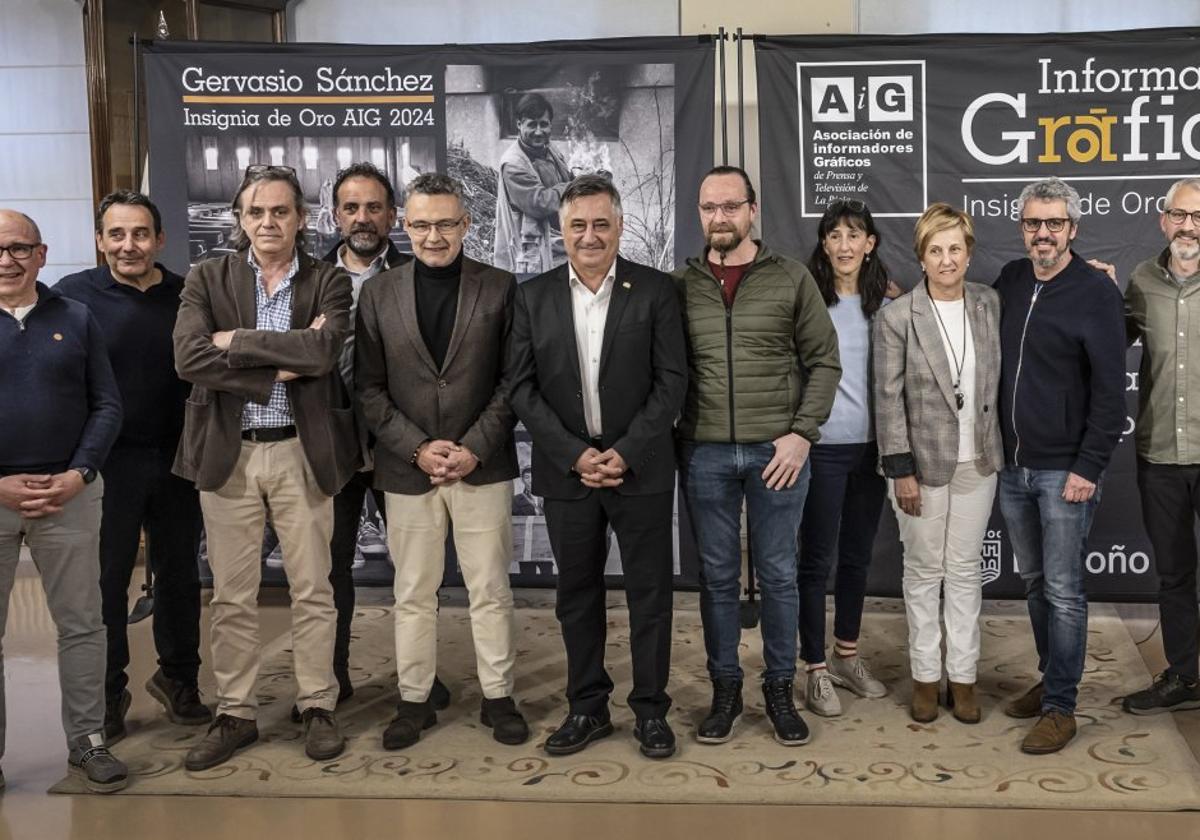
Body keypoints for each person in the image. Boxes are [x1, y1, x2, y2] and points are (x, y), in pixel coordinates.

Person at [173, 165, 359, 770]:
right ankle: (236, 712)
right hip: (230, 453)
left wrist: (238, 343)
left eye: (280, 212)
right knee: (231, 596)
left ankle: (317, 704)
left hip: (303, 452)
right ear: (240, 219)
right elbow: (190, 357)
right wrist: (282, 359)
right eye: (255, 212)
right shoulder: (207, 276)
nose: (267, 222)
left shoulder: (328, 279)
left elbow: (326, 351)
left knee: (313, 589)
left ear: (302, 219)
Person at [508, 174, 687, 759]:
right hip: (568, 475)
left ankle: (652, 712)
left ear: (619, 226)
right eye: (578, 224)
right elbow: (522, 388)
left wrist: (625, 452)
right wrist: (574, 454)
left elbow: (672, 384)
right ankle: (587, 709)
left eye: (600, 223)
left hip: (643, 470)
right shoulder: (531, 297)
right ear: (561, 230)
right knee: (576, 595)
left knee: (649, 595)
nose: (589, 235)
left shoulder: (657, 291)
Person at [356, 173, 527, 749]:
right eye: (423, 224)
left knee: (490, 589)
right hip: (408, 469)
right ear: (405, 225)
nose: (434, 235)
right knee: (412, 592)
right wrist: (418, 447)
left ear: (465, 225)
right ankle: (413, 701)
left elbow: (513, 382)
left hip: (483, 464)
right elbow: (369, 388)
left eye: (446, 223)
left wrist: (473, 447)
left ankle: (498, 697)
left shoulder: (501, 287)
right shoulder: (379, 295)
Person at [675, 166, 841, 746]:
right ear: (699, 213)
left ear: (751, 210)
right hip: (705, 453)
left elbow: (825, 362)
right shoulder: (682, 284)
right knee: (717, 577)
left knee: (778, 575)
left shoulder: (791, 278)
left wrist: (801, 435)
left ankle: (777, 687)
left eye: (730, 206)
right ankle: (725, 689)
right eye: (708, 207)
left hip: (780, 453)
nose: (719, 218)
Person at [56, 191, 209, 744]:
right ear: (100, 241)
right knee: (106, 582)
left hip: (179, 457)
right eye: (116, 235)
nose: (129, 245)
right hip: (107, 464)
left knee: (180, 577)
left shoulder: (189, 292)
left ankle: (180, 680)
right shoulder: (72, 298)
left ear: (160, 240)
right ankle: (108, 690)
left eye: (140, 234)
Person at [996, 177, 1126, 754]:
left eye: (1054, 223)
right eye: (1033, 223)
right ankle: (1053, 678)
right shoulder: (1011, 279)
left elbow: (1110, 393)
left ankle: (1061, 708)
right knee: (1034, 584)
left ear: (1073, 228)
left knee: (1066, 591)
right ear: (1022, 228)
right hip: (1012, 467)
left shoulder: (1096, 292)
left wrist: (1088, 467)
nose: (1042, 233)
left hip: (1066, 471)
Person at [0, 209, 127, 792]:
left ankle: (88, 741)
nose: (8, 260)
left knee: (82, 625)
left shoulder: (75, 318)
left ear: (42, 254)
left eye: (20, 248)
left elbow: (107, 405)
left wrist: (80, 472)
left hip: (69, 496)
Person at [316, 162, 450, 713]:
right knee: (330, 568)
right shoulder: (311, 276)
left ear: (394, 215)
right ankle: (333, 672)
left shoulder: (418, 272)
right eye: (351, 207)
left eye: (374, 207)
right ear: (335, 215)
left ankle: (420, 674)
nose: (363, 218)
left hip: (402, 443)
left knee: (418, 571)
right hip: (331, 445)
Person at [873, 203, 1003, 724]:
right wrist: (899, 469)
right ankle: (927, 677)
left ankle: (965, 678)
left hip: (980, 460)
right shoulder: (898, 316)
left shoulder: (989, 303)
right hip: (919, 468)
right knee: (924, 571)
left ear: (969, 253)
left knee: (965, 571)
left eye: (955, 248)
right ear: (921, 257)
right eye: (935, 250)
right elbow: (888, 399)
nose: (946, 260)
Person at [797, 199, 892, 718]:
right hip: (822, 448)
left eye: (854, 235)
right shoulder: (809, 300)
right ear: (824, 244)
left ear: (870, 243)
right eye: (834, 235)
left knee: (857, 557)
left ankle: (846, 656)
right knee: (815, 560)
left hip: (872, 449)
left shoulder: (887, 303)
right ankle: (814, 667)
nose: (844, 245)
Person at [1121, 177, 1200, 715]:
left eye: (1199, 216)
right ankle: (1185, 678)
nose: (1189, 226)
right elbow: (1107, 340)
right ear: (1162, 219)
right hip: (1160, 456)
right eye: (1180, 215)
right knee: (1173, 572)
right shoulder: (1141, 280)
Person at [493, 92, 573, 275]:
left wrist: (585, 179)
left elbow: (564, 180)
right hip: (530, 257)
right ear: (519, 124)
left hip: (560, 248)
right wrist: (576, 187)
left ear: (550, 124)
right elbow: (540, 203)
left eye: (544, 124)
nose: (539, 131)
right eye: (532, 124)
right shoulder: (513, 164)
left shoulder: (550, 149)